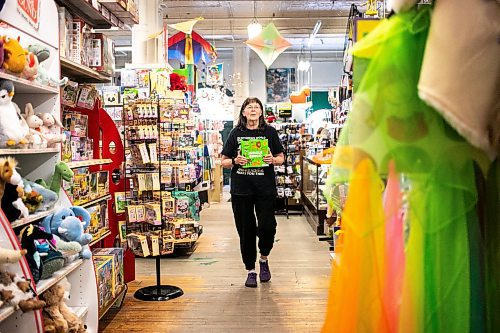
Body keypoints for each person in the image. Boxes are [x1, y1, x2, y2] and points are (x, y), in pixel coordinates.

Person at [221, 97, 284, 288]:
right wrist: (234, 161)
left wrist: (273, 160)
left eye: (257, 107)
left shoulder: (270, 132)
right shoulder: (235, 133)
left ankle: (264, 258)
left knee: (267, 226)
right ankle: (250, 269)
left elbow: (281, 157)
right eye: (250, 107)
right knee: (245, 230)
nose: (254, 110)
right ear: (244, 112)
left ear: (261, 112)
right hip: (241, 190)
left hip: (265, 189)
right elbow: (223, 160)